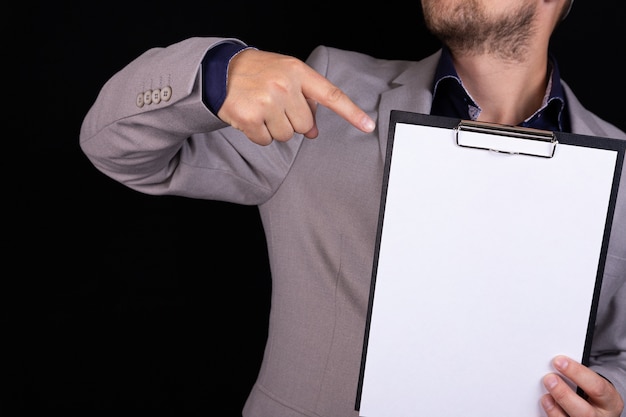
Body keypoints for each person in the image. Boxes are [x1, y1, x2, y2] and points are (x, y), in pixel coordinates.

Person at [79, 0, 625, 416]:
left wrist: (614, 395)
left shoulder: (621, 170)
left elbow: (619, 352)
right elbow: (115, 150)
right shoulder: (320, 93)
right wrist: (216, 75)